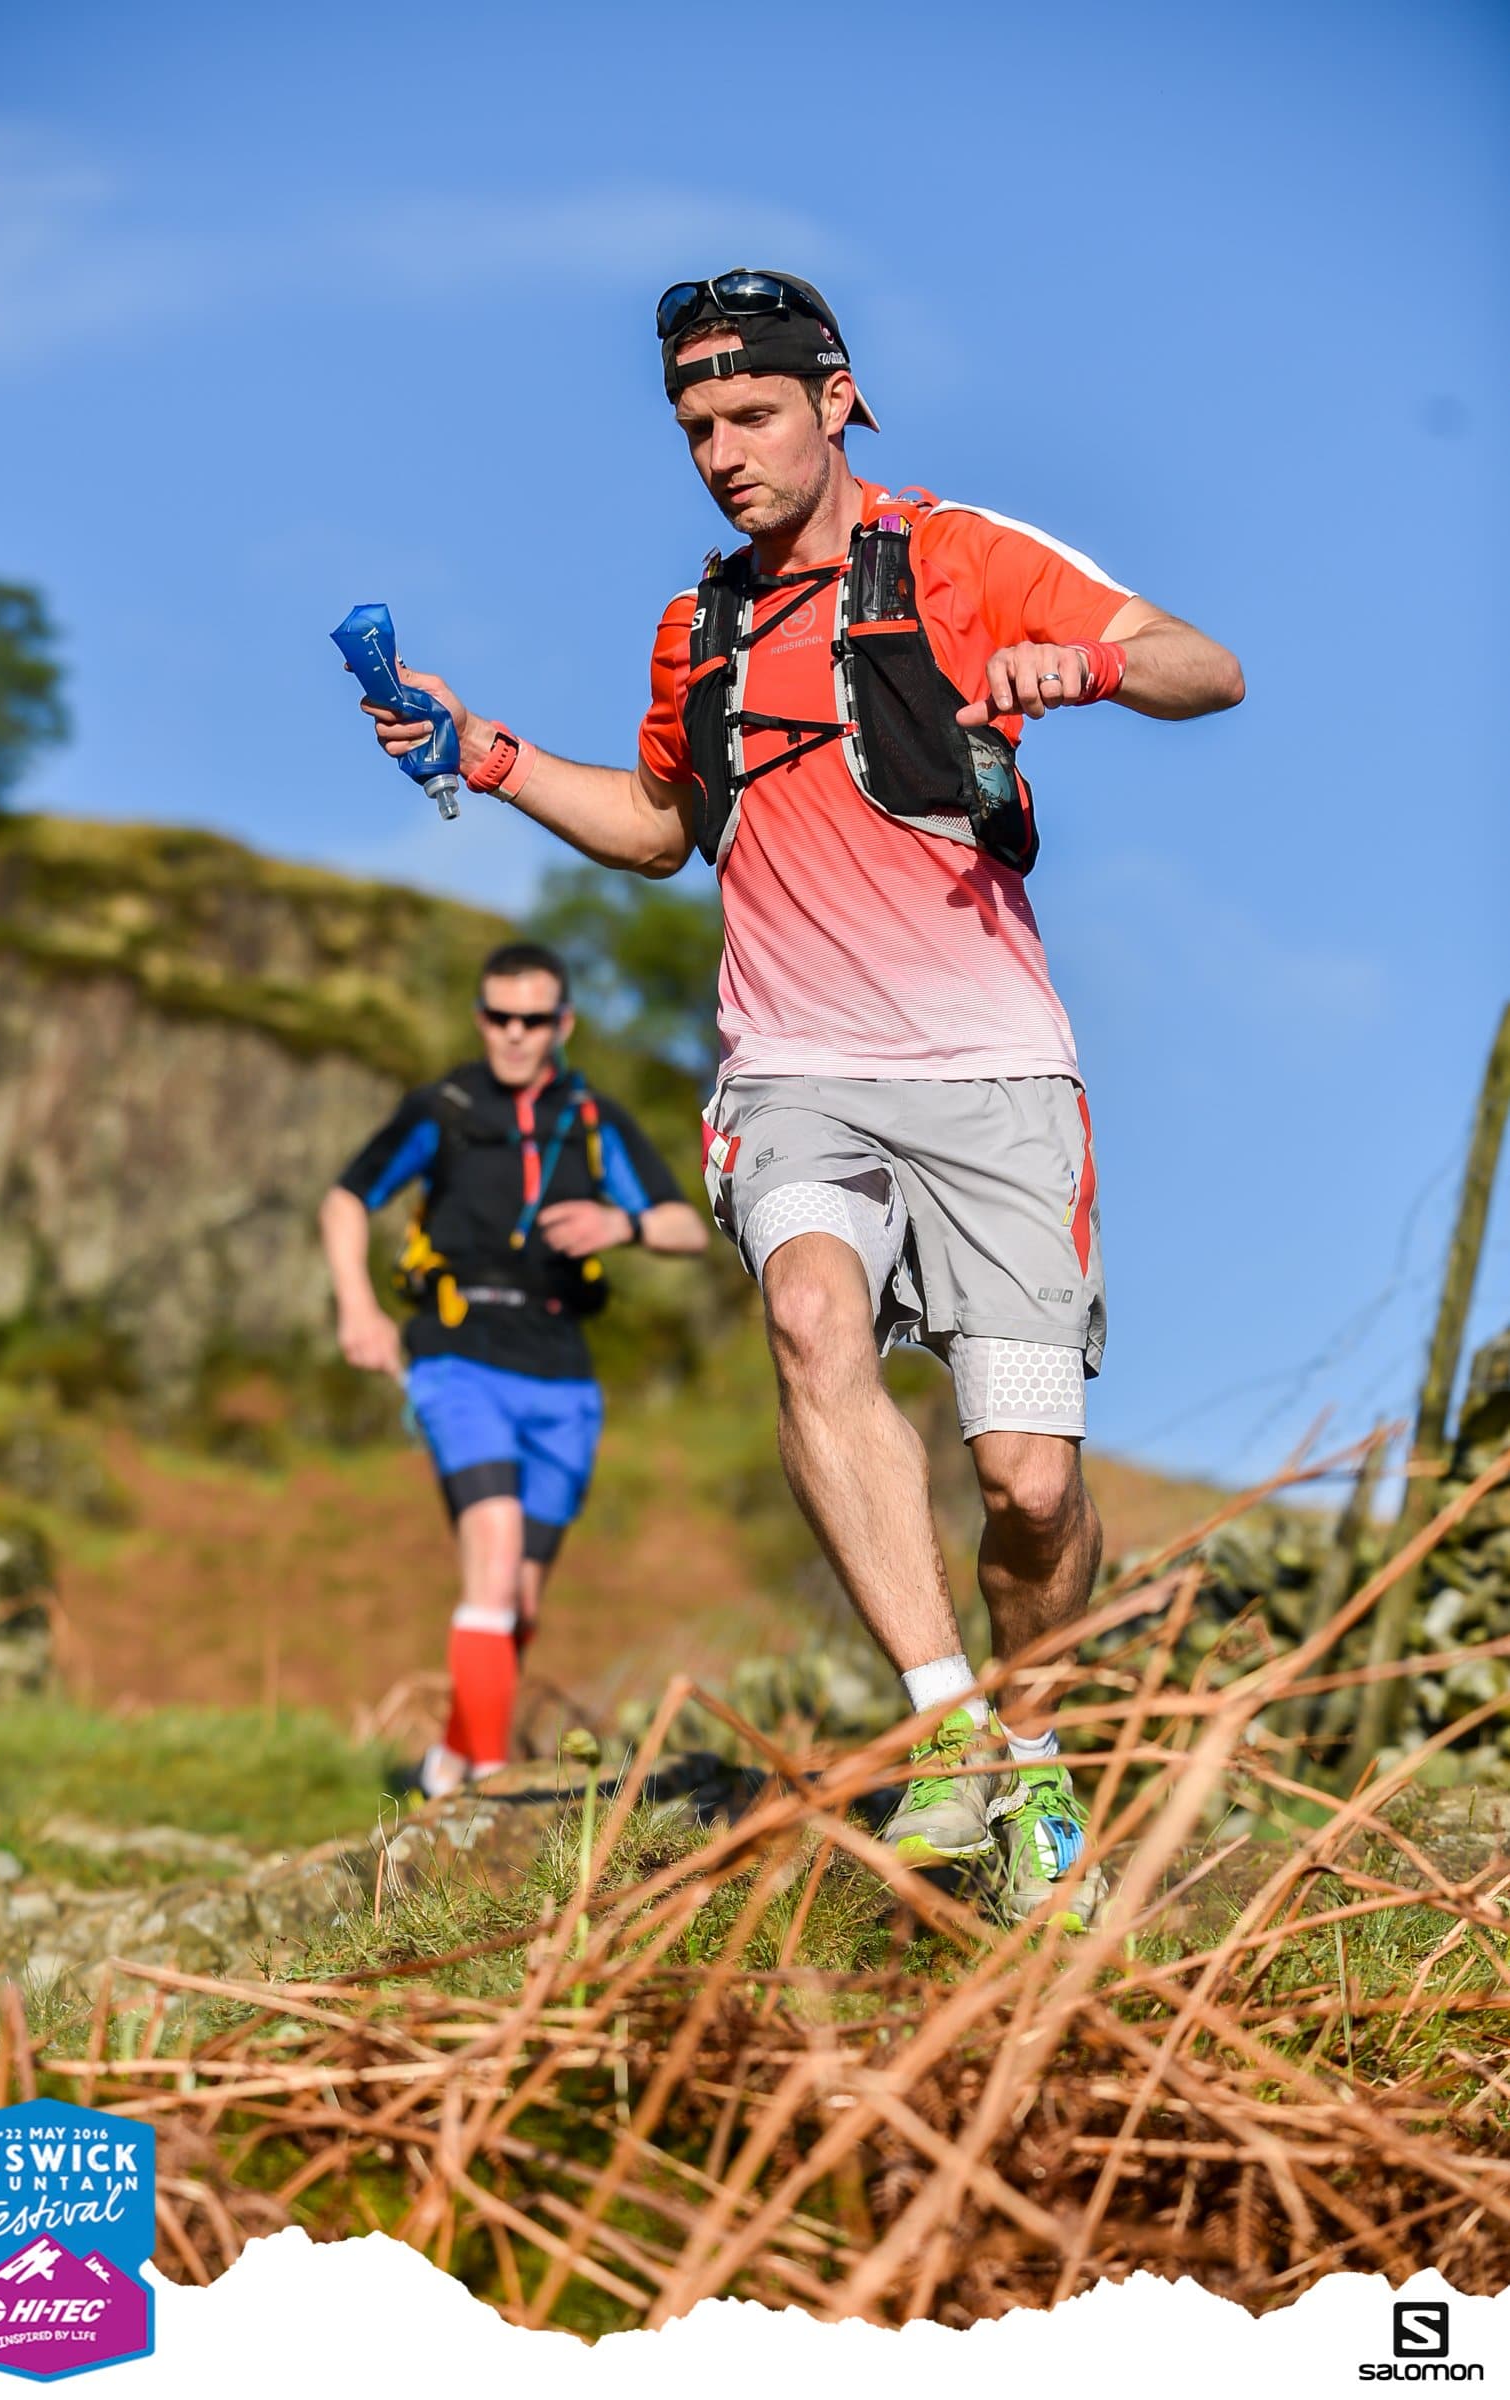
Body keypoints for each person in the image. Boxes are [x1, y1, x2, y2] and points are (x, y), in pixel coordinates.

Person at [358, 270, 1244, 1919]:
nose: (719, 451)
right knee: (813, 1323)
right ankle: (945, 1727)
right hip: (791, 1066)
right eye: (694, 425)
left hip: (992, 1070)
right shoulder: (695, 626)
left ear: (835, 399)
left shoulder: (955, 558)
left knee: (1031, 1488)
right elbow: (655, 823)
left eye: (749, 414)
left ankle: (1036, 1750)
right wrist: (482, 754)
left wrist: (1087, 671)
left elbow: (1206, 665)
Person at [320, 940, 706, 1798]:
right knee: (490, 1553)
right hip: (458, 1355)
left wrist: (623, 1227)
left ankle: (449, 1763)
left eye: (534, 1020)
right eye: (500, 1017)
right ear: (480, 1017)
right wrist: (357, 1305)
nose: (516, 1035)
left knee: (520, 1601)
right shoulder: (445, 1108)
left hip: (564, 1372)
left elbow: (685, 1223)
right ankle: (492, 1789)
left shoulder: (596, 1120)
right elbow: (348, 1196)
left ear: (562, 1024)